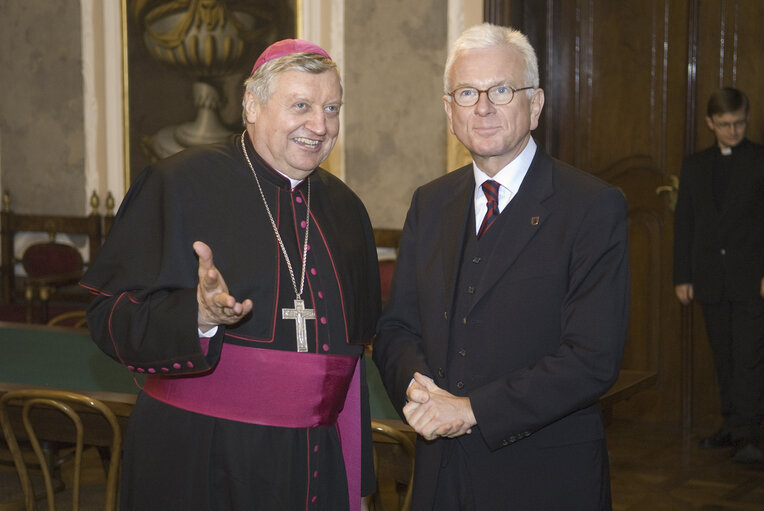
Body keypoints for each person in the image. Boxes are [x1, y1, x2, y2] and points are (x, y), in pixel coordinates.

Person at [81, 39, 380, 511]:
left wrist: (359, 485)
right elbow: (107, 315)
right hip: (199, 460)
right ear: (252, 105)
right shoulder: (178, 183)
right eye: (301, 105)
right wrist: (197, 315)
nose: (320, 125)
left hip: (316, 466)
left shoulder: (347, 210)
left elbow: (352, 369)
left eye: (332, 108)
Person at [372, 23, 629, 511]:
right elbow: (396, 329)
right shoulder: (429, 203)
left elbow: (592, 358)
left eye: (502, 90)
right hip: (438, 475)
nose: (483, 107)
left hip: (542, 476)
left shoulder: (591, 206)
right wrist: (418, 391)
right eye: (467, 92)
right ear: (450, 112)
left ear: (535, 105)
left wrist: (471, 410)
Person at [673, 87, 764, 464]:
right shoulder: (695, 164)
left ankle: (748, 433)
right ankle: (731, 425)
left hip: (751, 278)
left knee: (750, 358)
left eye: (739, 123)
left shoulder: (760, 160)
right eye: (725, 125)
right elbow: (685, 223)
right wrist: (682, 276)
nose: (733, 131)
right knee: (723, 356)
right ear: (711, 123)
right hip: (710, 278)